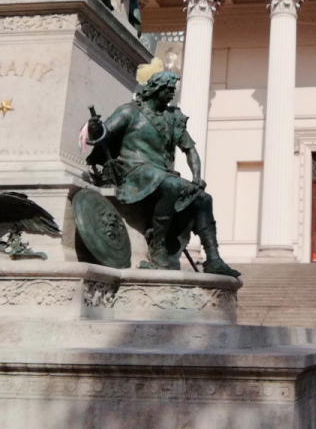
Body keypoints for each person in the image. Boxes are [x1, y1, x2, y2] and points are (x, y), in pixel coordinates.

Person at [87, 71, 239, 277]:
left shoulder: (172, 118)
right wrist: (94, 129)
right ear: (155, 89)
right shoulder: (129, 111)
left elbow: (190, 150)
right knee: (173, 185)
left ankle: (213, 259)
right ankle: (158, 248)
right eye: (168, 89)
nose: (172, 93)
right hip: (133, 169)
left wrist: (197, 177)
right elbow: (103, 134)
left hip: (160, 173)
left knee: (203, 198)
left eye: (173, 90)